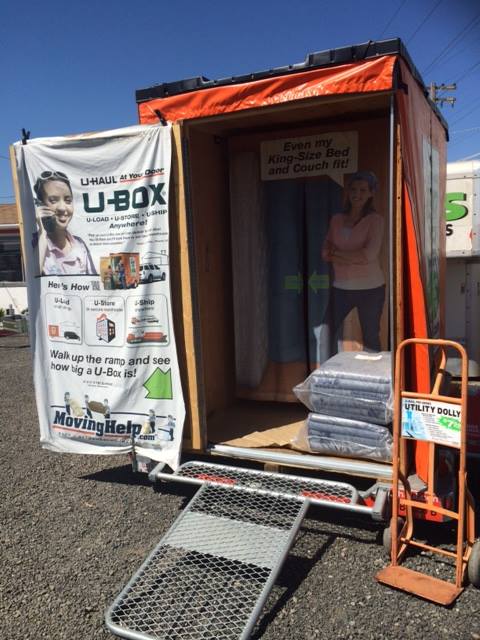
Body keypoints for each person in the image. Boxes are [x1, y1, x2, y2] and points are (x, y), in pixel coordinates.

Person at [322, 171, 385, 352]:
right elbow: (324, 253)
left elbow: (368, 255)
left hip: (371, 289)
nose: (357, 194)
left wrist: (336, 254)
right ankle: (328, 369)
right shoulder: (336, 220)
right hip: (340, 288)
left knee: (370, 338)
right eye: (353, 189)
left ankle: (373, 370)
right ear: (348, 191)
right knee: (325, 333)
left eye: (363, 190)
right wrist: (350, 256)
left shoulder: (376, 220)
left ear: (371, 193)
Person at [33, 170, 97, 276]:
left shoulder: (80, 245)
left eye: (68, 200)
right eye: (53, 200)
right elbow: (33, 276)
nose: (62, 208)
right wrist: (42, 232)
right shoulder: (35, 244)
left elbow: (94, 280)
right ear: (41, 205)